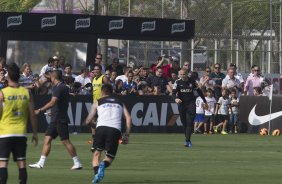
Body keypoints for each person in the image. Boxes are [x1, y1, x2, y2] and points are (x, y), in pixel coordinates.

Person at [29, 70, 82, 170]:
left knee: (65, 141)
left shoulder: (59, 88)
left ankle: (77, 162)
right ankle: (41, 163)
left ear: (54, 77)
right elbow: (60, 103)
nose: (49, 78)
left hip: (59, 119)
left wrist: (40, 110)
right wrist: (52, 112)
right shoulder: (60, 87)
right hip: (56, 117)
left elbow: (53, 102)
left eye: (50, 77)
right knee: (47, 139)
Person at [84, 84, 132, 184]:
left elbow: (88, 120)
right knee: (109, 157)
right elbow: (128, 118)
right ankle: (103, 165)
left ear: (102, 92)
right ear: (112, 92)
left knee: (96, 154)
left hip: (101, 128)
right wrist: (126, 134)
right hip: (115, 129)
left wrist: (91, 125)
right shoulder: (120, 102)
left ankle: (97, 174)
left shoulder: (98, 101)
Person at [0, 62, 38, 184]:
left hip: (5, 134)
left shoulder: (3, 93)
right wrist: (35, 133)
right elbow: (32, 114)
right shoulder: (26, 93)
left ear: (8, 76)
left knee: (3, 163)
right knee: (21, 163)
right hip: (21, 134)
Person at [172, 69, 208, 147]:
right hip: (181, 104)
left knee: (189, 122)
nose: (182, 76)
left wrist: (205, 101)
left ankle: (187, 141)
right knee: (184, 123)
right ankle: (188, 140)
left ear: (187, 74)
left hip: (191, 104)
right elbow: (173, 93)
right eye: (181, 74)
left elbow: (199, 92)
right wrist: (175, 98)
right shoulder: (177, 82)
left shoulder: (192, 81)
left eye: (183, 74)